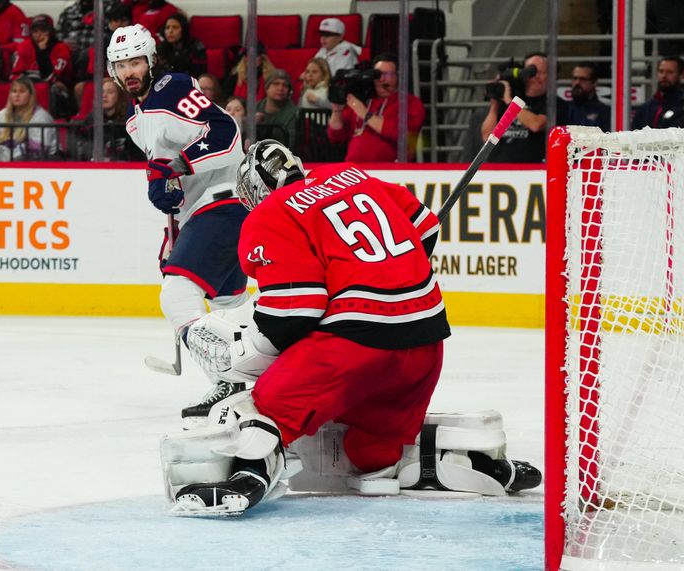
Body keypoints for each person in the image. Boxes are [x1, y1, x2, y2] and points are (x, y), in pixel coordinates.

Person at [164, 140, 542, 514]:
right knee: (370, 453)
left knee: (256, 406)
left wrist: (242, 355)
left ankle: (248, 474)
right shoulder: (350, 176)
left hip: (355, 346)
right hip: (424, 344)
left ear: (255, 189)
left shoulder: (271, 213)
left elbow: (293, 313)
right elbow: (425, 228)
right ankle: (446, 459)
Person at [106, 24, 250, 422]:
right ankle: (248, 384)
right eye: (121, 65)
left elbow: (224, 133)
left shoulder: (170, 88)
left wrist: (175, 167)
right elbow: (167, 170)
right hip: (206, 212)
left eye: (136, 61)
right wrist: (166, 188)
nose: (129, 71)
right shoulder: (136, 120)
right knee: (229, 306)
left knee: (177, 297)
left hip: (222, 205)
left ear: (151, 60)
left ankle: (228, 379)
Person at [327, 52, 425, 162]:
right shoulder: (363, 100)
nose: (382, 79)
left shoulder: (410, 102)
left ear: (398, 76)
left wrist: (366, 114)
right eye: (377, 74)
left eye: (388, 74)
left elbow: (404, 135)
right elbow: (336, 137)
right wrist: (336, 110)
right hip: (355, 172)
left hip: (392, 171)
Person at [481, 52, 548, 163]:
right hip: (501, 168)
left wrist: (508, 101)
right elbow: (487, 136)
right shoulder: (510, 98)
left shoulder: (553, 103)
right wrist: (495, 103)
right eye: (531, 72)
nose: (536, 76)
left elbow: (536, 125)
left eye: (541, 72)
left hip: (533, 170)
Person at [10, 14, 75, 119]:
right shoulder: (25, 46)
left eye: (43, 30)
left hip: (58, 92)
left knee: (53, 88)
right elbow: (14, 75)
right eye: (35, 31)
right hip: (29, 87)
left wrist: (42, 51)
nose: (39, 35)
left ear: (51, 32)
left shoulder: (61, 48)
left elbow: (51, 78)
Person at [0, 75, 57, 161]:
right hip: (7, 163)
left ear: (30, 95)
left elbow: (39, 150)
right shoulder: (3, 114)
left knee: (22, 159)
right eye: (14, 91)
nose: (17, 95)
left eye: (22, 91)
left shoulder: (41, 117)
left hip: (41, 163)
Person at [76, 77, 140, 160]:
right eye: (101, 92)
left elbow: (137, 156)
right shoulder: (90, 121)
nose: (104, 95)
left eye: (110, 92)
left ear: (119, 96)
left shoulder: (130, 120)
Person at [632, 56, 684, 130]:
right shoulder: (645, 109)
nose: (664, 76)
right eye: (661, 71)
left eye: (670, 72)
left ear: (681, 75)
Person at [557, 62, 610, 131]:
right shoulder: (563, 108)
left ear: (594, 82)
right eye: (575, 78)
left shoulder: (604, 112)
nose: (577, 82)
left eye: (583, 79)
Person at [255, 69, 297, 148]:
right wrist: (251, 125)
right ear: (267, 88)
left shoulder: (294, 113)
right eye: (276, 84)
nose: (280, 88)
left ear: (289, 91)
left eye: (285, 85)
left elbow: (290, 144)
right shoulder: (256, 108)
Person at [156, 13, 206, 78]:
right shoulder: (161, 48)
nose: (170, 31)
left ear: (184, 29)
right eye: (167, 28)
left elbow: (199, 74)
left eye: (175, 27)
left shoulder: (196, 47)